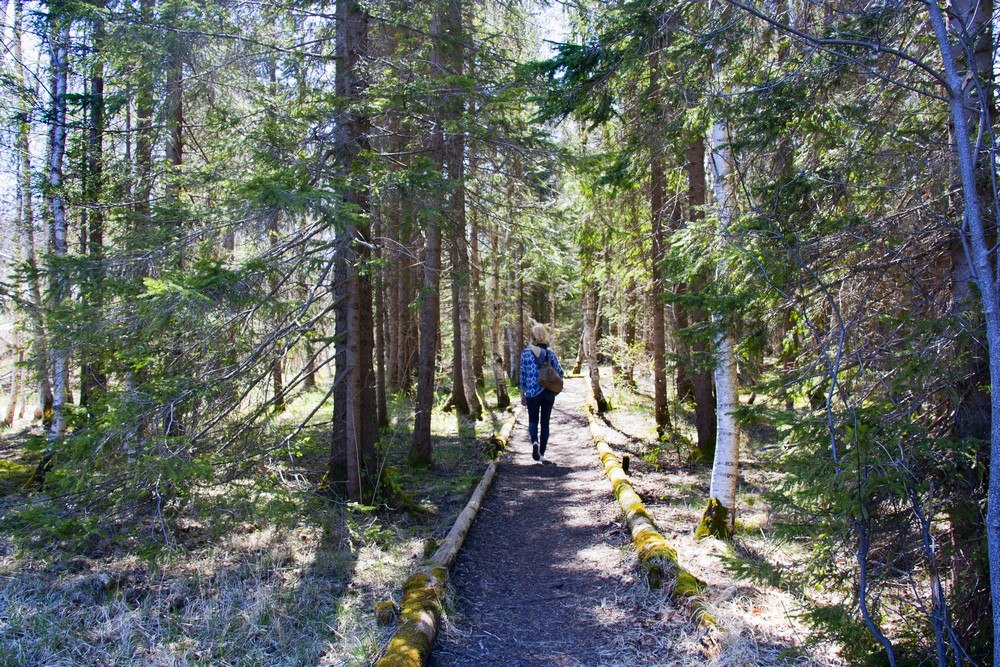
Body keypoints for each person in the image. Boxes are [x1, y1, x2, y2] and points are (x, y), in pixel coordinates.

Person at [520, 323, 564, 464]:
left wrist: (522, 393)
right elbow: (561, 372)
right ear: (544, 336)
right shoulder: (550, 353)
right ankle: (542, 454)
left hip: (532, 393)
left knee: (533, 420)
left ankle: (534, 442)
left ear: (532, 336)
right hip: (548, 392)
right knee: (545, 422)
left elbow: (522, 375)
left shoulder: (526, 353)